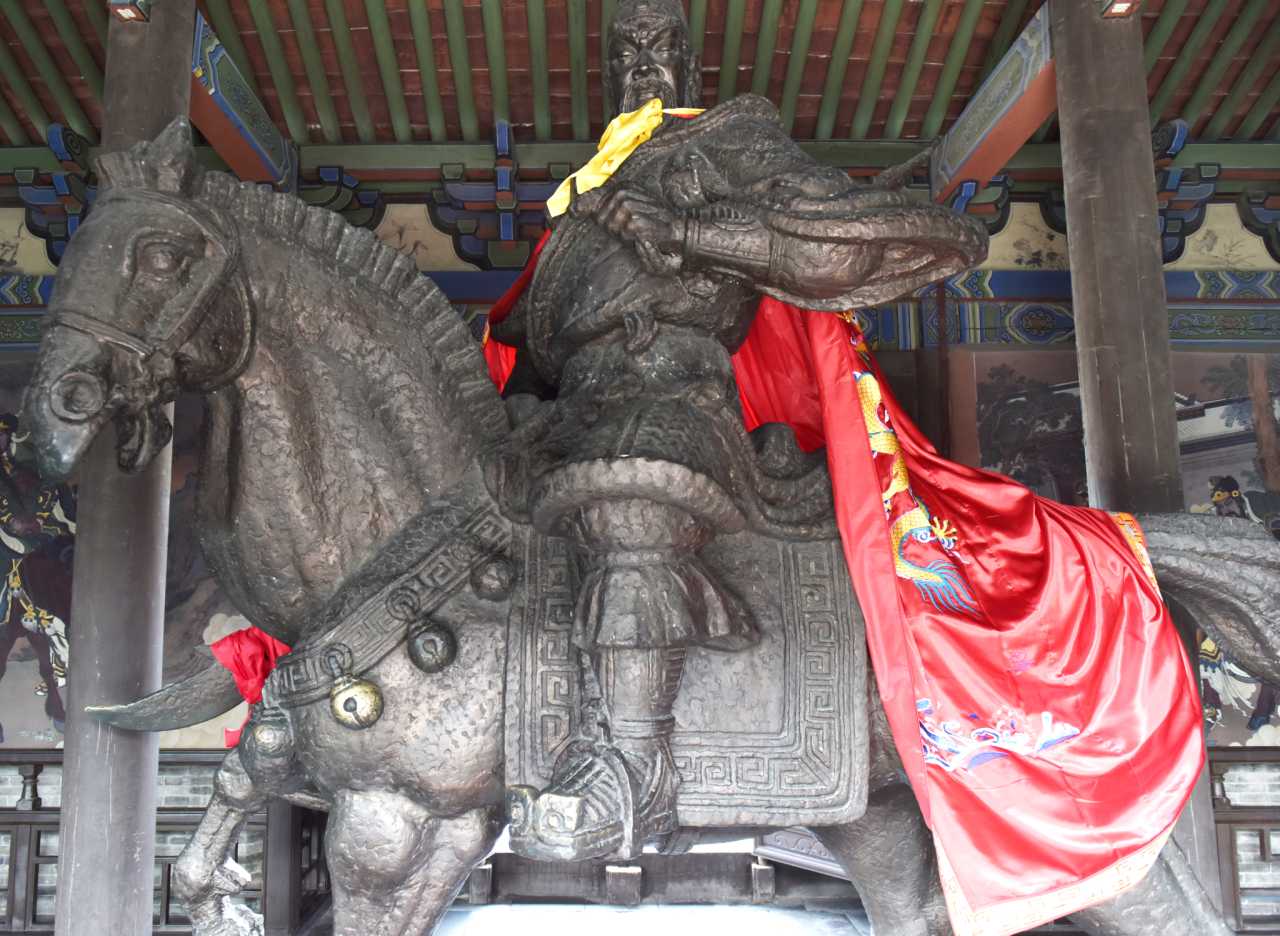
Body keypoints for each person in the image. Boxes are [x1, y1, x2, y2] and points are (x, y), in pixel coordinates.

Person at [495, 0, 985, 862]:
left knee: (632, 489)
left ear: (689, 64)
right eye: (627, 49)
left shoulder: (734, 145)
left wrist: (685, 234)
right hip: (572, 408)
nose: (643, 62)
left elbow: (853, 247)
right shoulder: (587, 194)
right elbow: (538, 344)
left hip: (678, 400)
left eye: (660, 45)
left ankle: (630, 771)